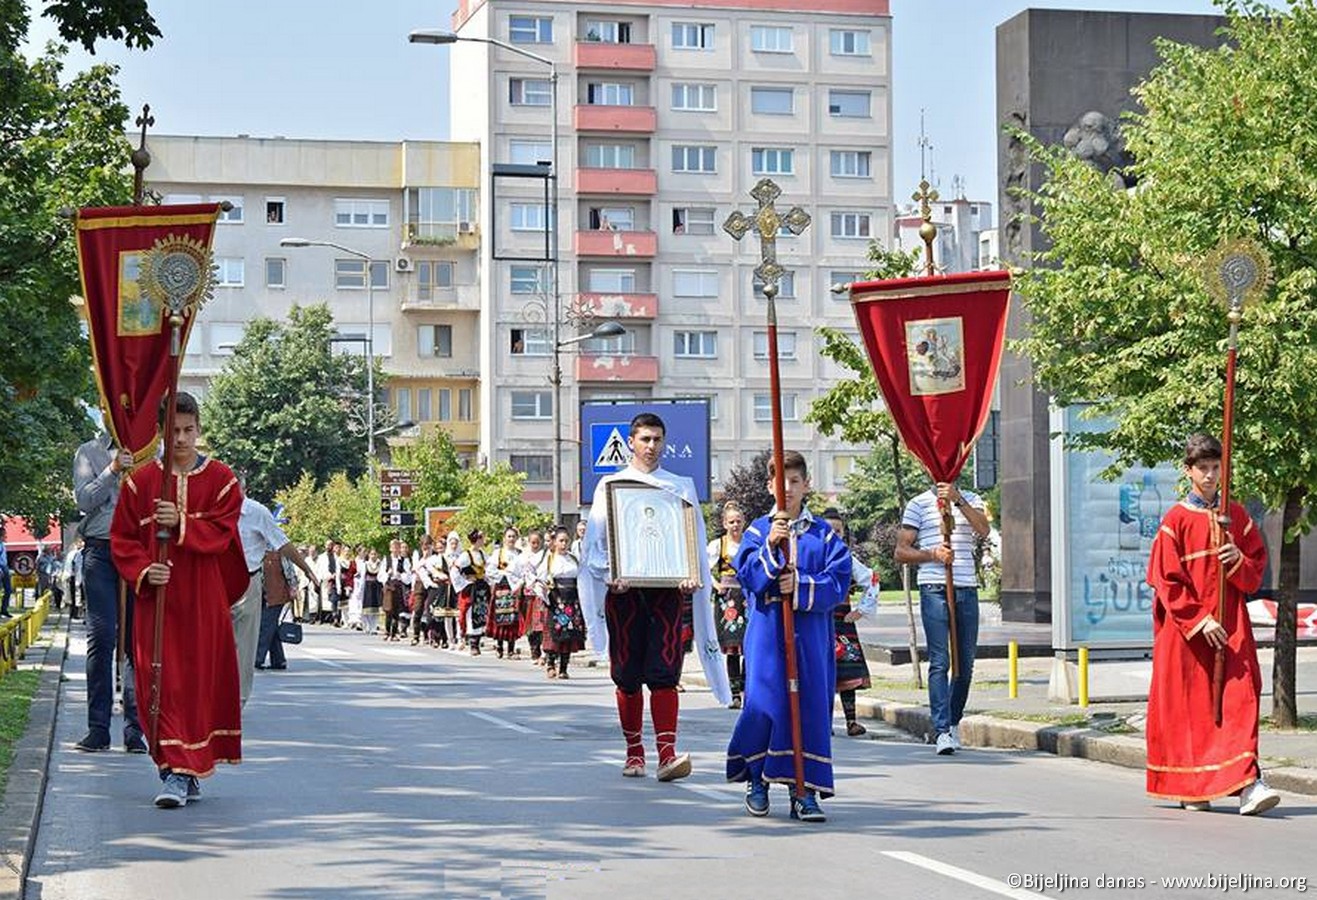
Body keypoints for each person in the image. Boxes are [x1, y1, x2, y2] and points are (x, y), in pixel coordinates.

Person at [110, 392, 248, 809]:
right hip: (159, 600)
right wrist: (143, 570)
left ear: (199, 429)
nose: (184, 439)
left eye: (190, 430)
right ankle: (173, 770)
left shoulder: (222, 479)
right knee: (162, 684)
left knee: (196, 684)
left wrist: (183, 523)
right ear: (161, 433)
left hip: (203, 599)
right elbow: (122, 538)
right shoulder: (141, 482)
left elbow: (223, 534)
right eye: (175, 432)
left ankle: (184, 770)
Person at [578, 413, 731, 783]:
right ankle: (634, 753)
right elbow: (595, 543)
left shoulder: (679, 487)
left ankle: (666, 754)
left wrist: (692, 573)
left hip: (666, 591)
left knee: (665, 672)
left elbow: (692, 538)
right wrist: (610, 575)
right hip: (625, 593)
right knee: (626, 675)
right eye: (645, 439)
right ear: (631, 441)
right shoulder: (611, 486)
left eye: (657, 439)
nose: (651, 446)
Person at [1146, 434, 1279, 816]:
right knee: (1190, 711)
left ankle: (1249, 785)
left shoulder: (1236, 516)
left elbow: (1254, 575)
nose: (1209, 475)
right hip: (1188, 634)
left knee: (1241, 698)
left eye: (1215, 467)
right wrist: (1199, 620)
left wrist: (1237, 557)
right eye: (1202, 468)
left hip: (1232, 626)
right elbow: (1166, 580)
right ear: (1188, 472)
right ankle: (1192, 783)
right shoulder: (1175, 521)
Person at [726, 451, 851, 822]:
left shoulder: (823, 535)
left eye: (795, 482)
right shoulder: (757, 531)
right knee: (764, 705)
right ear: (769, 487)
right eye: (782, 483)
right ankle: (757, 778)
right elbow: (747, 573)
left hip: (810, 637)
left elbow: (839, 581)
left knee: (810, 708)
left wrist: (801, 584)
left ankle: (804, 790)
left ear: (807, 485)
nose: (789, 489)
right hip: (767, 635)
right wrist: (770, 548)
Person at [894, 478, 990, 755]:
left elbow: (983, 530)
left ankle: (953, 720)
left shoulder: (971, 498)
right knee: (940, 660)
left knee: (965, 662)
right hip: (934, 586)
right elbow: (901, 551)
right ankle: (941, 729)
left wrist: (958, 500)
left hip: (966, 587)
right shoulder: (918, 504)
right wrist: (932, 554)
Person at [72, 431, 146, 752]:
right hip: (100, 552)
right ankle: (98, 728)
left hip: (137, 552)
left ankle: (134, 730)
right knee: (101, 638)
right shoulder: (89, 452)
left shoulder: (150, 453)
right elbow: (84, 500)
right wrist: (112, 470)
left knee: (134, 641)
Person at [233, 492, 315, 705]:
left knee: (244, 647)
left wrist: (305, 569)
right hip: (213, 582)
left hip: (247, 583)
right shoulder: (209, 508)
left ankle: (237, 702)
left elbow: (283, 544)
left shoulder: (256, 512)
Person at [821, 509, 880, 737]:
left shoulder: (847, 557)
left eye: (838, 530)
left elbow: (872, 580)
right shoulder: (813, 554)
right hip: (818, 620)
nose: (833, 535)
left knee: (848, 672)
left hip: (843, 618)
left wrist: (861, 610)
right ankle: (824, 723)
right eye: (829, 530)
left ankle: (851, 721)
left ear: (843, 533)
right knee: (820, 672)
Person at [708, 501, 748, 708]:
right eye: (731, 521)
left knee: (749, 647)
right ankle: (735, 695)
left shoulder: (750, 543)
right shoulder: (718, 545)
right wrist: (716, 585)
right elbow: (703, 568)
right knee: (732, 647)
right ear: (725, 523)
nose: (735, 525)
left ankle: (747, 691)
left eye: (738, 521)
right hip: (728, 600)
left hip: (748, 598)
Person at [536, 525, 586, 679]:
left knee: (569, 632)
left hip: (571, 599)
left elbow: (582, 577)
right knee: (554, 631)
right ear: (555, 542)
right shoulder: (549, 559)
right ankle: (551, 664)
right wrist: (544, 592)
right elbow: (540, 579)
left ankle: (564, 667)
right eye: (561, 541)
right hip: (555, 599)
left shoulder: (573, 559)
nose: (564, 544)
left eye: (566, 541)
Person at [487, 526, 524, 658]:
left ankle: (511, 648)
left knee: (513, 618)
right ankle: (499, 645)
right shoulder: (498, 553)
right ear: (504, 538)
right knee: (500, 616)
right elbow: (490, 570)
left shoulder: (520, 554)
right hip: (501, 587)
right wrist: (504, 573)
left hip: (514, 588)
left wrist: (518, 581)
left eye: (513, 536)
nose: (511, 539)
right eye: (509, 536)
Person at [453, 530, 490, 654]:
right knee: (470, 614)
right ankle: (473, 643)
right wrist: (465, 581)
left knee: (480, 613)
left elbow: (488, 569)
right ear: (477, 539)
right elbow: (455, 570)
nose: (483, 540)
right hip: (471, 589)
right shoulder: (466, 555)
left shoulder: (482, 554)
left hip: (481, 587)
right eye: (481, 538)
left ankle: (477, 641)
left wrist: (487, 578)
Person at [516, 529, 548, 664]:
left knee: (542, 622)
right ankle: (534, 650)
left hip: (541, 592)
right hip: (529, 594)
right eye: (532, 542)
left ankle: (544, 651)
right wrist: (519, 583)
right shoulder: (523, 557)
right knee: (530, 623)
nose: (535, 545)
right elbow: (513, 571)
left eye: (537, 542)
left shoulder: (547, 555)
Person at [382, 540, 411, 642]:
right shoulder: (386, 559)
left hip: (398, 585)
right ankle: (386, 631)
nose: (395, 549)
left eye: (397, 547)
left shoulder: (404, 560)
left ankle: (394, 633)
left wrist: (401, 576)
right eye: (393, 547)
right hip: (389, 585)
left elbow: (408, 577)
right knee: (388, 609)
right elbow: (380, 575)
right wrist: (387, 575)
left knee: (396, 610)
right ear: (390, 548)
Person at [360, 548, 384, 635]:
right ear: (369, 555)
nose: (373, 556)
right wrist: (360, 590)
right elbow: (362, 577)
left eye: (375, 554)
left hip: (377, 586)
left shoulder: (380, 564)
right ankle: (368, 626)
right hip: (368, 586)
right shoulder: (365, 564)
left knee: (376, 608)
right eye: (372, 554)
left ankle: (374, 627)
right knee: (368, 608)